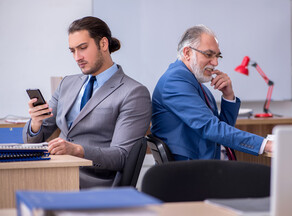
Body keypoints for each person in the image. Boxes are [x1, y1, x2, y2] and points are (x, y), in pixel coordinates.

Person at [23, 16, 152, 188]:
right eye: (72, 51)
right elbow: (31, 141)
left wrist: (77, 150)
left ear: (103, 44)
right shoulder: (67, 84)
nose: (77, 57)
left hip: (93, 181)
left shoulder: (134, 92)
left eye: (83, 48)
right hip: (54, 170)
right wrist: (36, 123)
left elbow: (122, 156)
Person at [151, 25, 272, 160]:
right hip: (191, 171)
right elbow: (211, 128)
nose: (215, 62)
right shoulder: (175, 81)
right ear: (187, 53)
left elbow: (221, 130)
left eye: (217, 56)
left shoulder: (194, 82)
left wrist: (228, 96)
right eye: (209, 54)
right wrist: (266, 145)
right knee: (263, 177)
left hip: (207, 164)